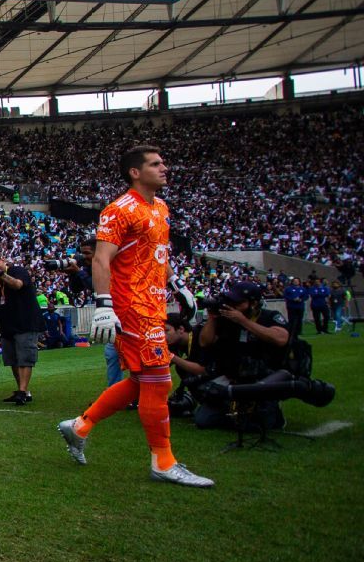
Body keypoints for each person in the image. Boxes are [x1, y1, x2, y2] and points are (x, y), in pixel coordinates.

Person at [58, 144, 212, 488]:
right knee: (159, 380)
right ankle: (163, 461)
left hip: (154, 304)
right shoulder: (119, 209)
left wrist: (178, 284)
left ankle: (80, 426)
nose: (164, 168)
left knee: (142, 380)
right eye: (156, 164)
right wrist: (103, 305)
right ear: (135, 172)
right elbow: (101, 259)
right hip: (133, 307)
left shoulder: (161, 208)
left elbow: (158, 254)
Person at [195, 281, 291, 430]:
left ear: (253, 303)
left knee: (260, 424)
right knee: (203, 420)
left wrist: (243, 321)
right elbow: (204, 342)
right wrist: (213, 318)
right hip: (232, 376)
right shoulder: (226, 319)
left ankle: (265, 411)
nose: (233, 305)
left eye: (238, 302)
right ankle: (236, 411)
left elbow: (281, 338)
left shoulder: (269, 316)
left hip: (261, 378)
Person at [0, 252, 42, 404]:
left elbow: (18, 284)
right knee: (12, 359)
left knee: (25, 358)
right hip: (7, 323)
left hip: (25, 321)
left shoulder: (17, 271)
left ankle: (23, 391)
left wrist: (1, 274)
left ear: (3, 260)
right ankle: (22, 390)